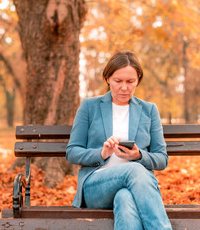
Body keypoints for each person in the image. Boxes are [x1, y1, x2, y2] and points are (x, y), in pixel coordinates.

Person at [66, 51, 172, 230]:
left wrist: (139, 155)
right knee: (133, 170)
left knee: (124, 198)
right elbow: (72, 152)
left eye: (130, 82)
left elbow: (162, 159)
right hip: (96, 186)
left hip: (136, 188)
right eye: (118, 81)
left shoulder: (149, 110)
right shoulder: (89, 107)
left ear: (138, 79)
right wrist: (101, 153)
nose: (124, 87)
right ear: (108, 78)